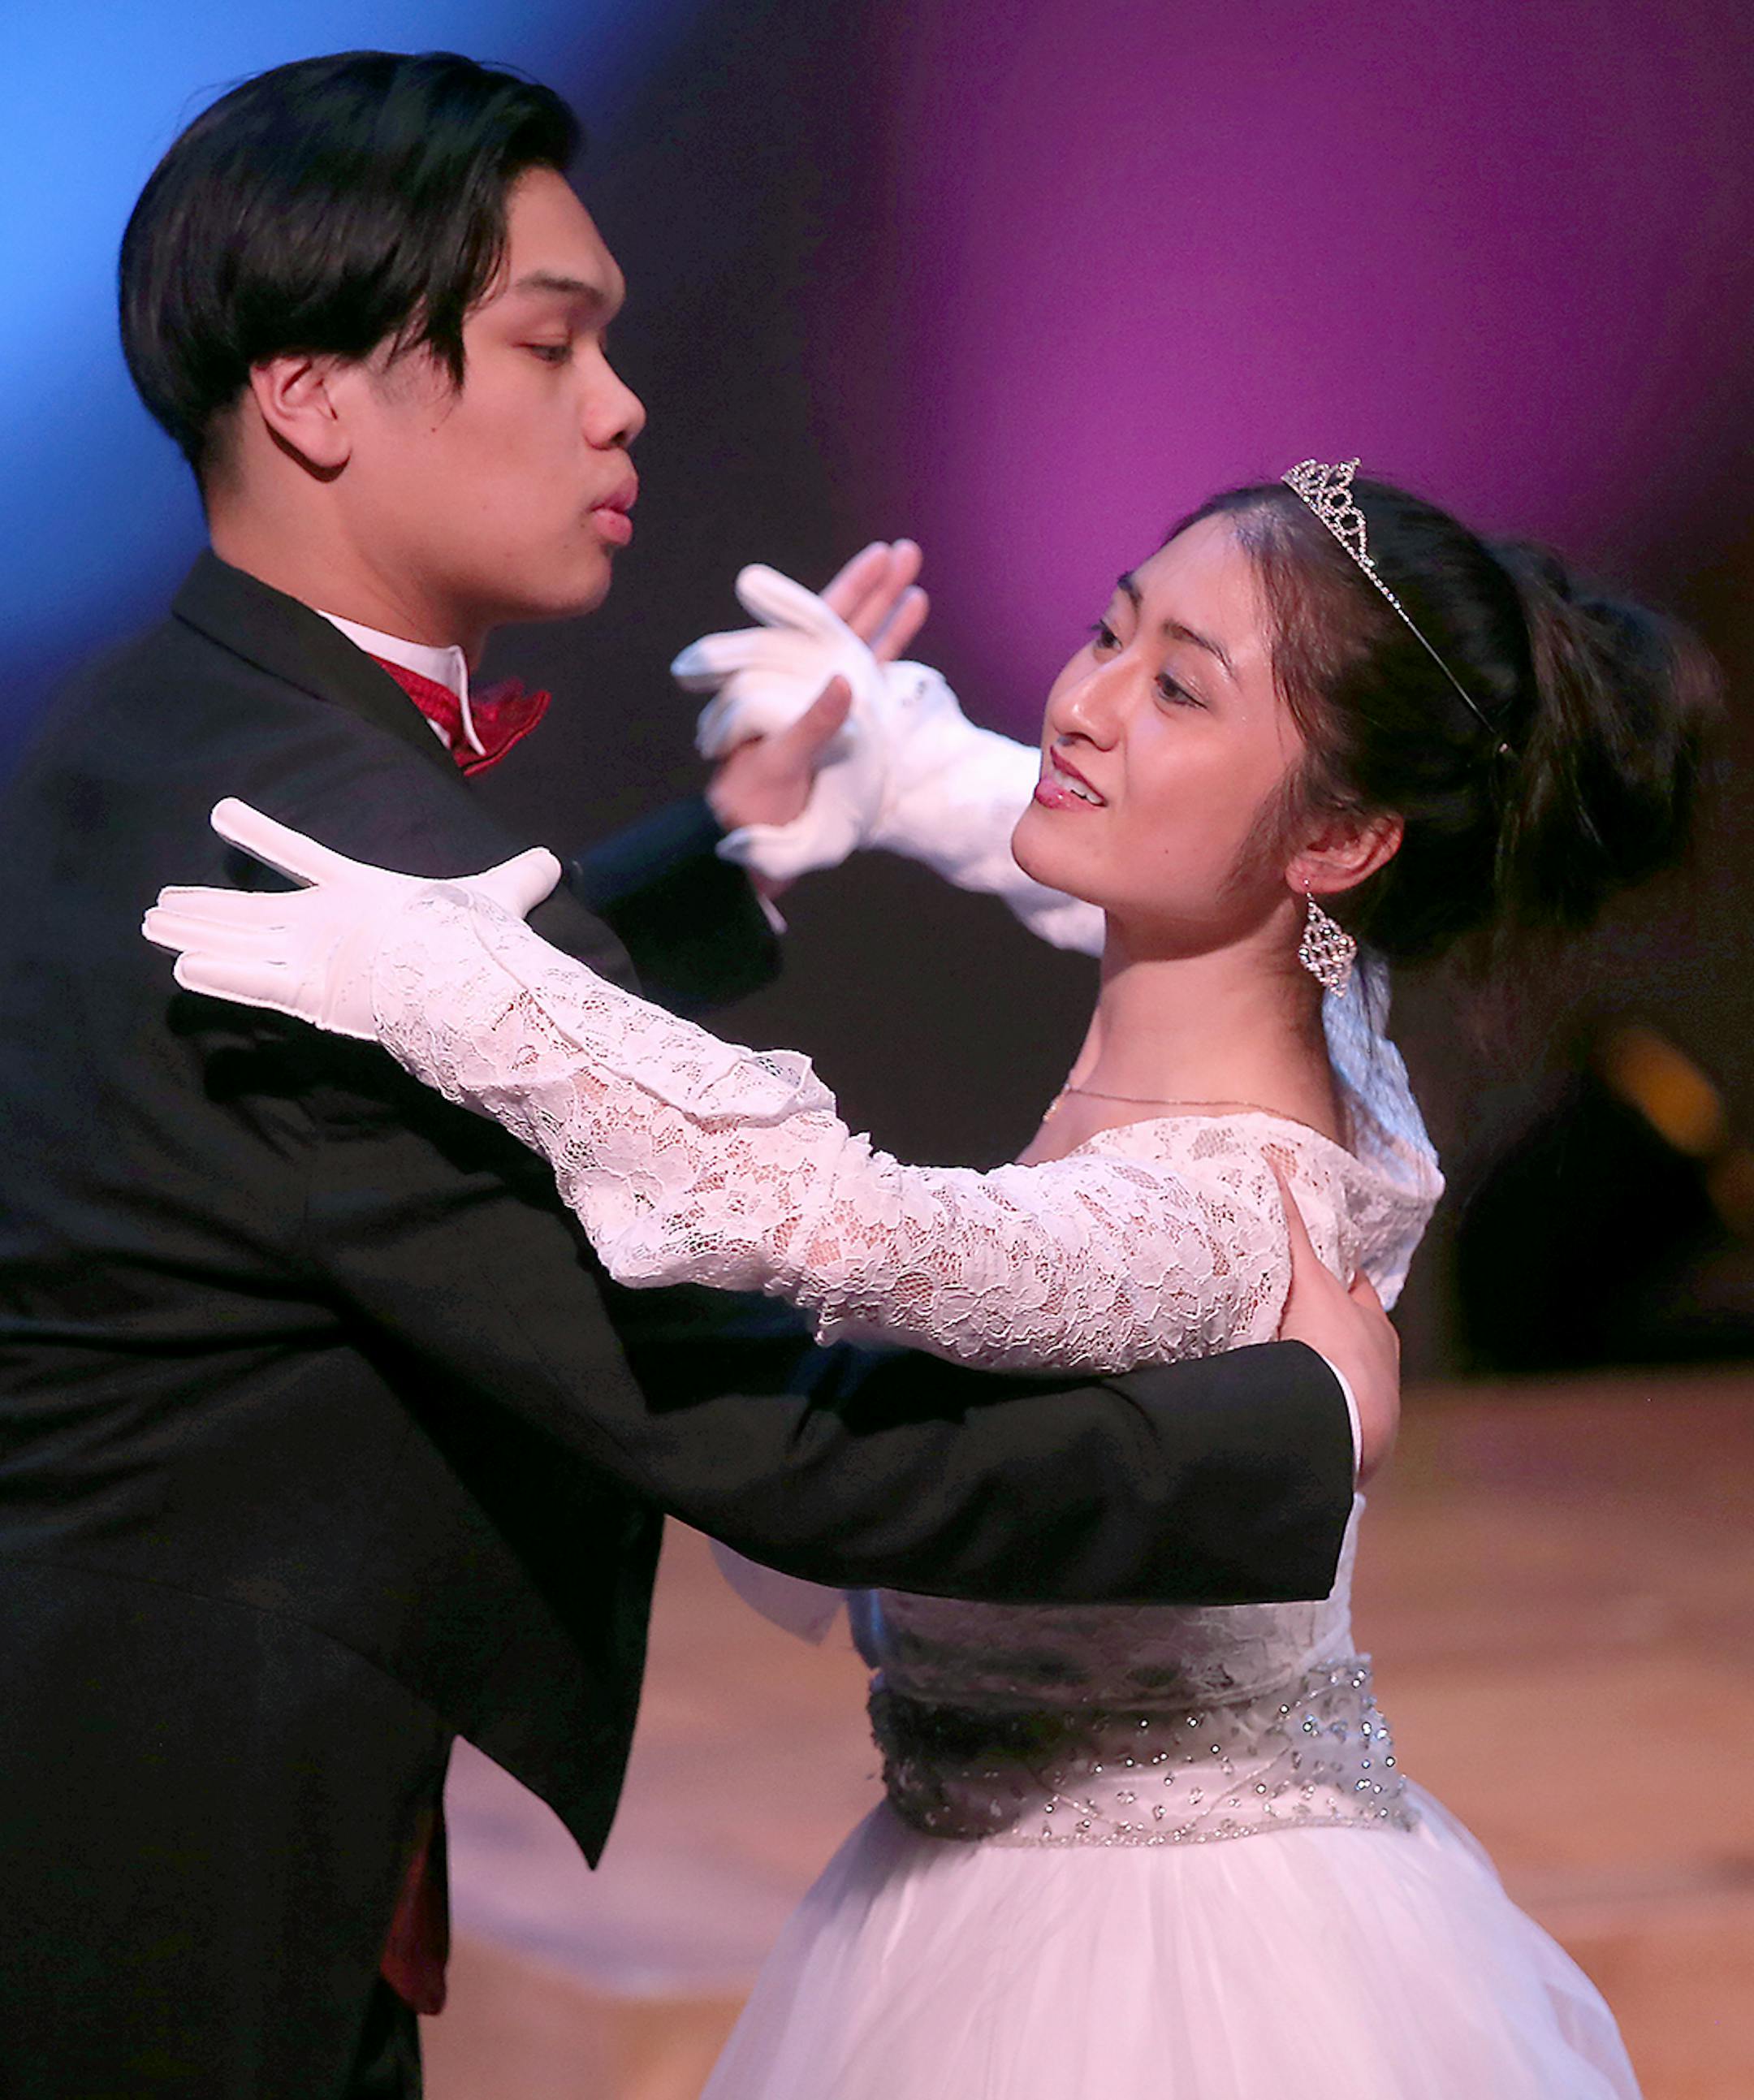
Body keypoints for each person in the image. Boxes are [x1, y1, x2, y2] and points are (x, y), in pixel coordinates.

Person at [0, 52, 1386, 2100]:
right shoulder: (330, 853)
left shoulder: (192, 724)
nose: (621, 401)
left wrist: (721, 859)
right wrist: (1290, 1429)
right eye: (550, 343)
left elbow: (421, 1086)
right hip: (175, 1814)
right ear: (310, 397)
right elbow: (763, 1433)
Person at [149, 456, 1716, 2095]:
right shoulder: (1337, 1037)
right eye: (1111, 630)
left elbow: (849, 1226)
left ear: (1340, 837)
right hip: (969, 1872)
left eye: (1178, 685)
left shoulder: (1216, 1218)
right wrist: (893, 758)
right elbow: (1065, 838)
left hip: (1158, 1971)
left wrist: (477, 999)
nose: (1089, 705)